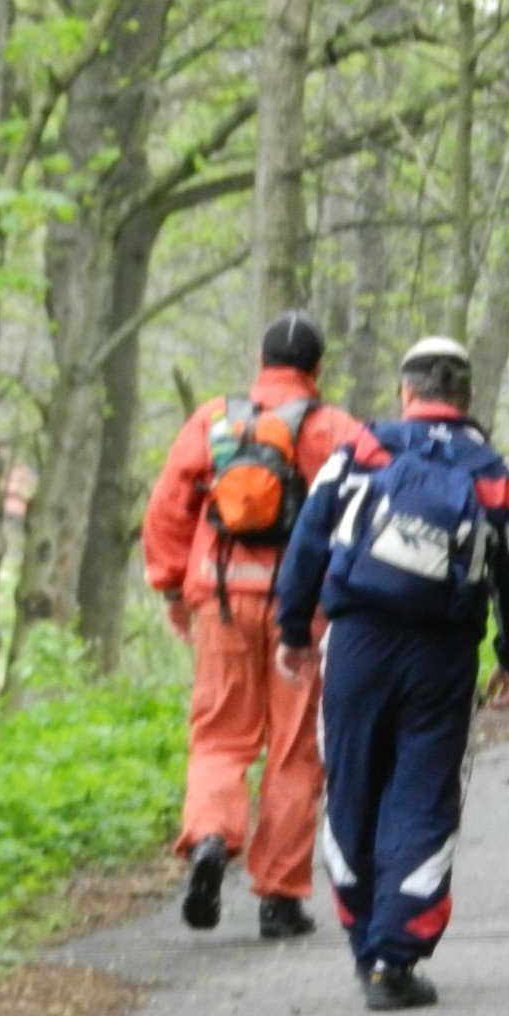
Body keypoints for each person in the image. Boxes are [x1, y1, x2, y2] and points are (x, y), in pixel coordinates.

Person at [274, 335, 509, 1011]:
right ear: (468, 398)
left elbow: (309, 538)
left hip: (358, 642)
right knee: (422, 792)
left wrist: (293, 630)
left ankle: (365, 941)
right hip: (443, 651)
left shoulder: (361, 451)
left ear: (407, 392)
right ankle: (397, 957)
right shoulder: (493, 471)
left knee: (354, 785)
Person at [142, 309, 364, 940]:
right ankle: (279, 897)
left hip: (219, 597)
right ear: (318, 368)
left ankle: (211, 836)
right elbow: (362, 511)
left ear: (262, 361)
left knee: (219, 736)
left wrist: (170, 586)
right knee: (295, 750)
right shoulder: (331, 428)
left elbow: (167, 506)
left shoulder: (215, 419)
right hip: (304, 611)